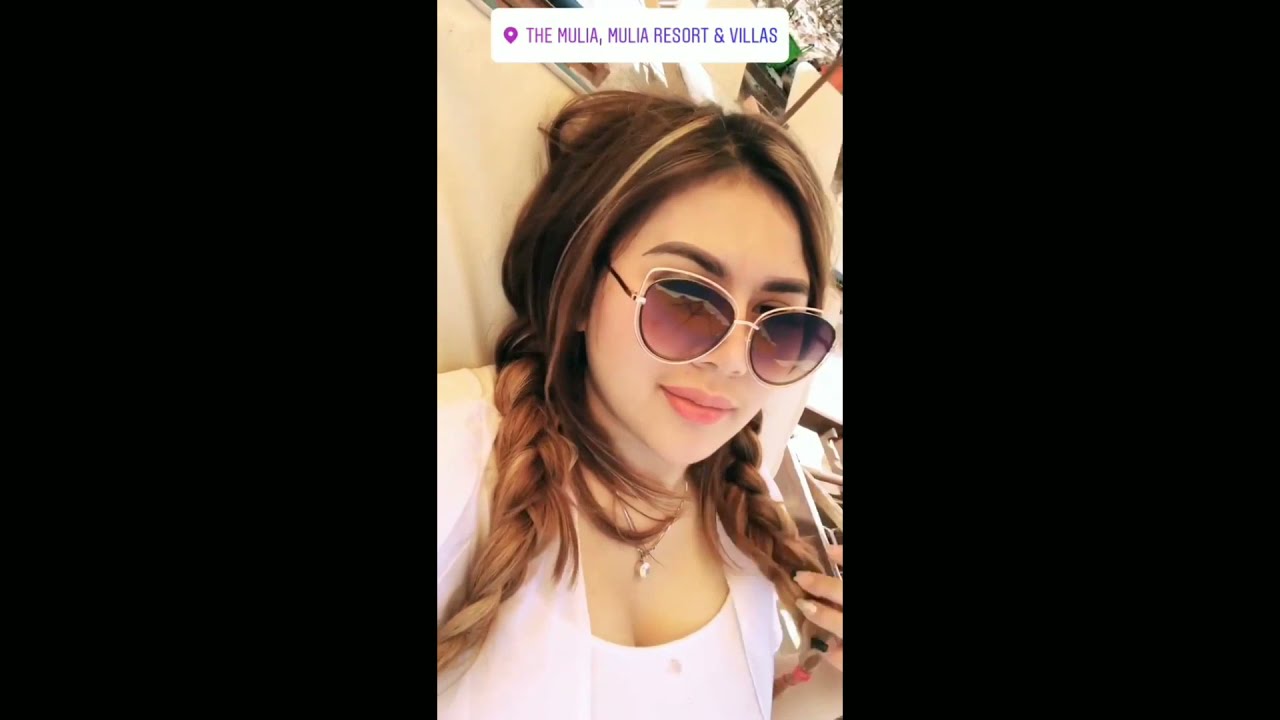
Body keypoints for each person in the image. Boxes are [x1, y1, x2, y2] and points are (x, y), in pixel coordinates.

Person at [436, 90, 843, 719]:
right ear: (578, 285)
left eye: (779, 323)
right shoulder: (456, 463)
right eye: (685, 298)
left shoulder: (747, 523)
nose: (733, 361)